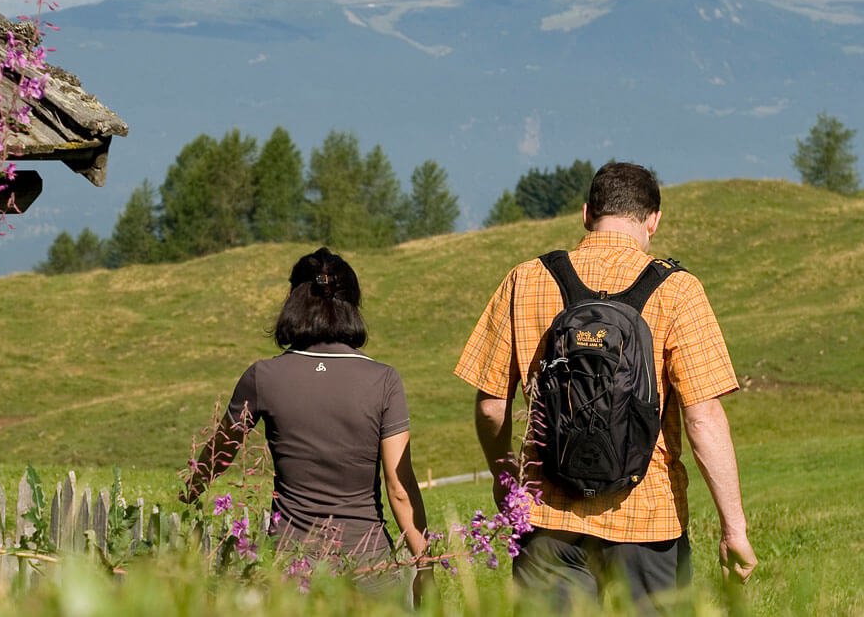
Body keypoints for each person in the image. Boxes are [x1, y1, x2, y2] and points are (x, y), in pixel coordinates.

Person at [454, 162, 757, 612]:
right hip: (648, 522)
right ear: (653, 220)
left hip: (547, 519)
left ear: (586, 214)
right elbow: (703, 417)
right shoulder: (679, 291)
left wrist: (508, 479)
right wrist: (734, 528)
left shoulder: (527, 278)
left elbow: (490, 407)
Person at [182, 248, 430, 591]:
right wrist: (425, 565)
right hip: (369, 568)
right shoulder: (384, 380)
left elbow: (219, 454)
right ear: (352, 304)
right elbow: (398, 489)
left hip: (290, 569)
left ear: (293, 302)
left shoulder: (263, 376)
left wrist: (188, 494)